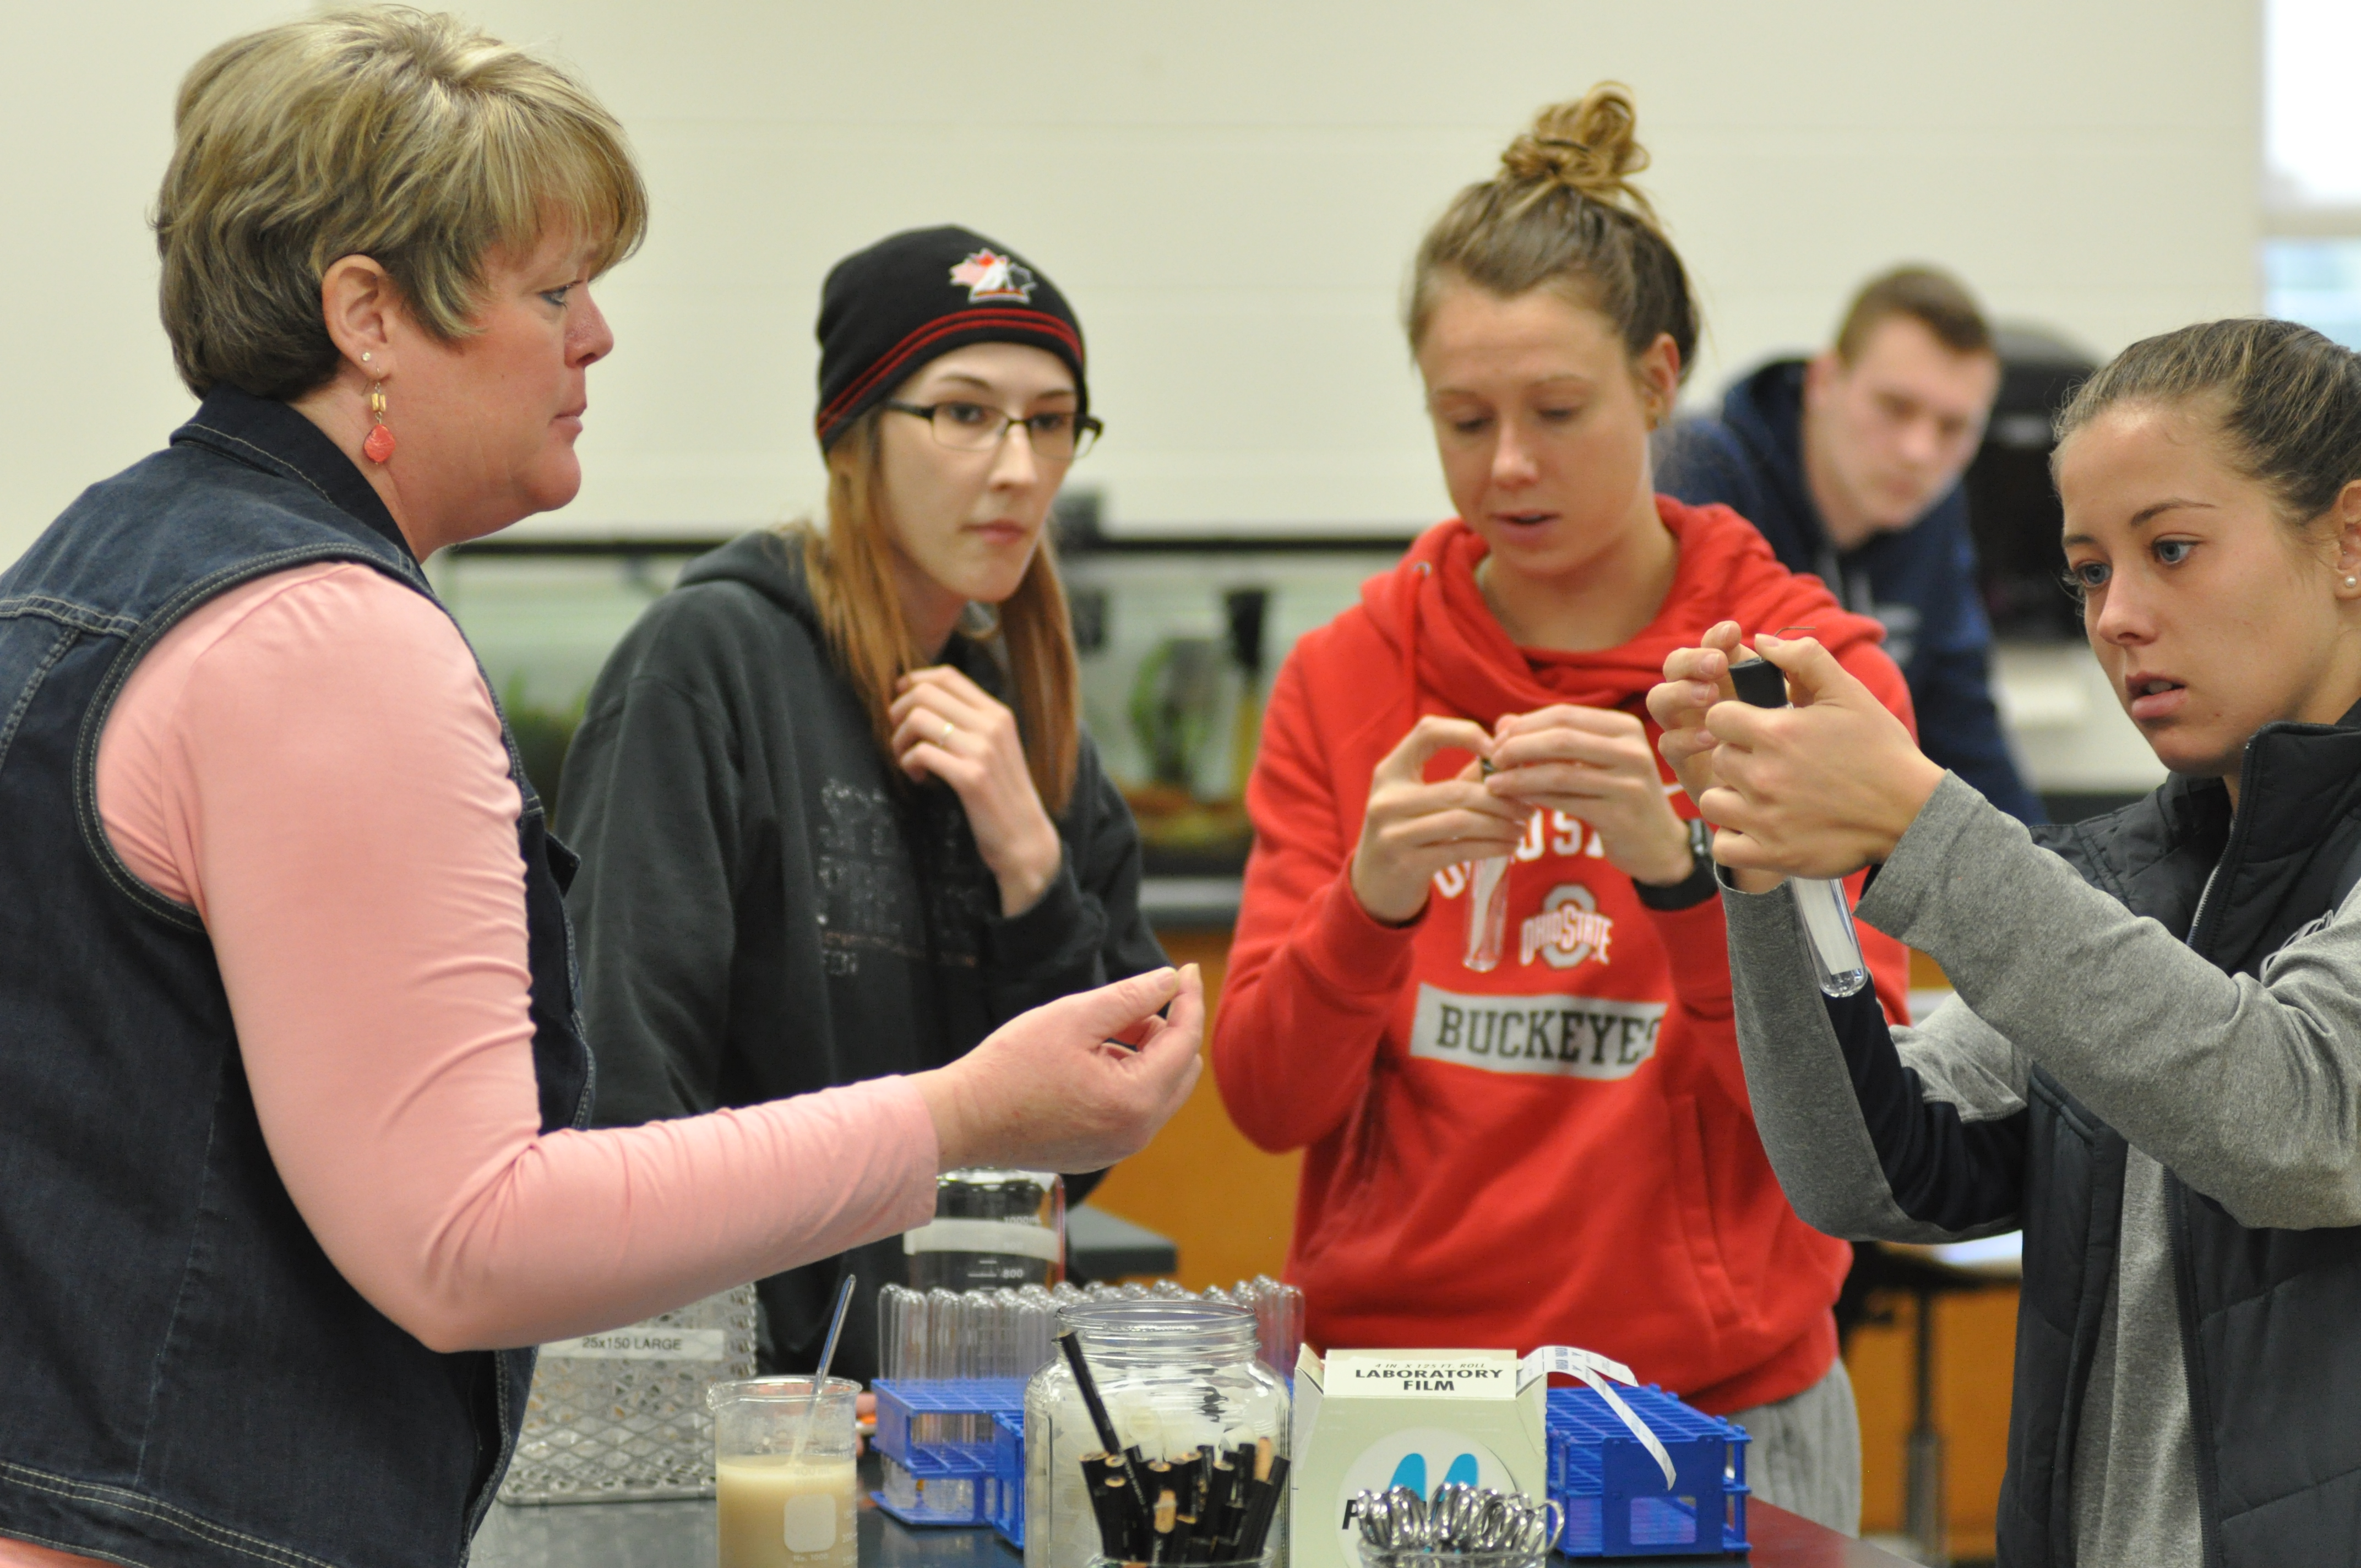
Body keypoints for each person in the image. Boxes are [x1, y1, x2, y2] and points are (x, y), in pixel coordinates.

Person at [0, 14, 1200, 1568]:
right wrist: (958, 1118)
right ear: (366, 311)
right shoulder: (335, 640)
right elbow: (466, 1237)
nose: (598, 338)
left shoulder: (98, 565)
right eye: (553, 289)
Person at [1210, 85, 1914, 1534]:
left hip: (1715, 1407)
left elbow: (1860, 1126)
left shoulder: (1804, 680)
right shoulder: (1350, 679)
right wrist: (1368, 911)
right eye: (1463, 420)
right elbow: (1268, 1100)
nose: (1507, 467)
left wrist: (1686, 881)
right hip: (1400, 1408)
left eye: (1556, 411)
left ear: (1659, 383)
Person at [1649, 317, 2361, 1566]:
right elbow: (1871, 1166)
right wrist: (1770, 854)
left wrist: (1918, 822)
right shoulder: (2131, 875)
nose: (2118, 616)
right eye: (2089, 569)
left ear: (2347, 540)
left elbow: (2292, 1116)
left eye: (2172, 548)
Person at [556, 225, 1165, 1382]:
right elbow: (623, 1092)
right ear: (853, 434)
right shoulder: (710, 661)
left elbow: (1071, 1156)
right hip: (759, 1405)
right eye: (963, 412)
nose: (1017, 468)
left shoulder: (1036, 738)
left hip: (972, 1403)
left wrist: (1032, 868)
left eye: (1049, 422)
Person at [1657, 266, 2043, 823]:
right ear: (1823, 382)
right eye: (1895, 407)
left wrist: (2052, 892)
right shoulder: (1702, 470)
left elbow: (1968, 739)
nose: (1918, 451)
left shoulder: (1934, 510)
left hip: (1839, 839)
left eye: (1953, 427)